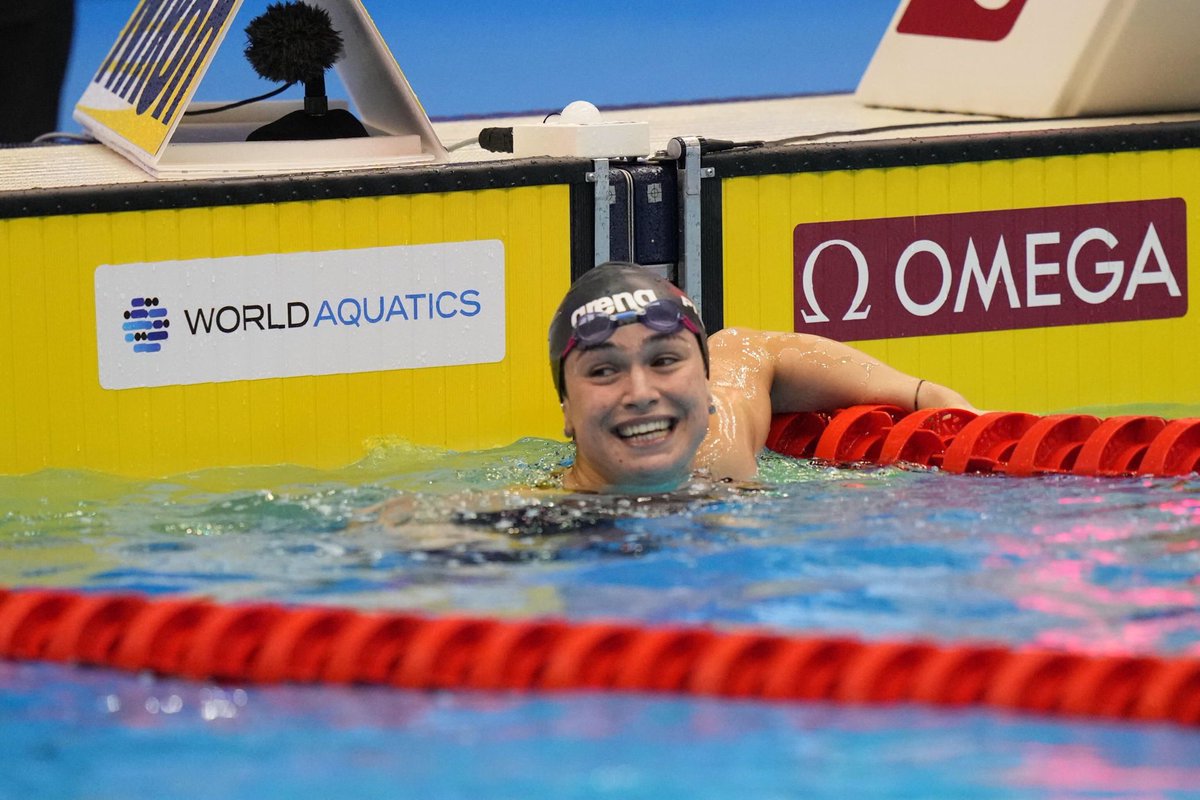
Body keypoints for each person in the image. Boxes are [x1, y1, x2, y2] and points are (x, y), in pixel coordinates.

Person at [549, 262, 976, 494]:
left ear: (706, 384)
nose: (641, 394)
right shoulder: (536, 523)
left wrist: (924, 395)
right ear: (566, 410)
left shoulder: (722, 443)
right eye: (604, 371)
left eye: (664, 361)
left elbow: (749, 349)